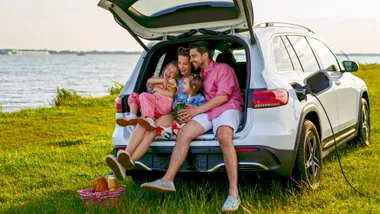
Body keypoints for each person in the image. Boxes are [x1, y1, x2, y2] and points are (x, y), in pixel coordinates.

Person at [140, 41, 244, 212]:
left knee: (224, 136)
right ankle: (167, 180)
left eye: (194, 56)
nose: (191, 60)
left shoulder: (224, 69)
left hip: (228, 108)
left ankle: (233, 193)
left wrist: (196, 111)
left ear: (205, 55)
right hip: (208, 110)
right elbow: (191, 92)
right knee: (184, 134)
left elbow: (222, 98)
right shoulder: (201, 74)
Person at [105, 52, 193, 181]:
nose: (181, 66)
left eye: (184, 64)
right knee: (142, 124)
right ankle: (126, 155)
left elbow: (174, 94)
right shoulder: (166, 79)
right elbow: (150, 82)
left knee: (150, 133)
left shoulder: (190, 80)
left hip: (170, 112)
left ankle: (128, 163)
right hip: (156, 107)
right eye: (180, 64)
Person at [115, 61, 180, 131]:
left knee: (144, 95)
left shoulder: (171, 81)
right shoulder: (157, 78)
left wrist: (157, 89)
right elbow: (149, 81)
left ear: (175, 77)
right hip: (155, 104)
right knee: (133, 95)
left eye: (172, 72)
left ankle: (149, 119)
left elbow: (171, 94)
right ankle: (133, 116)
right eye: (168, 69)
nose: (169, 72)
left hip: (164, 104)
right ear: (165, 69)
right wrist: (163, 80)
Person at [156, 74, 206, 139]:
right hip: (179, 116)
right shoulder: (181, 95)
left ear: (193, 87)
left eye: (185, 83)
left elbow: (201, 109)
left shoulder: (200, 98)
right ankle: (169, 130)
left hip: (190, 118)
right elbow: (174, 103)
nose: (182, 85)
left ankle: (175, 129)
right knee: (175, 119)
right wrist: (176, 105)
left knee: (183, 121)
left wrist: (193, 107)